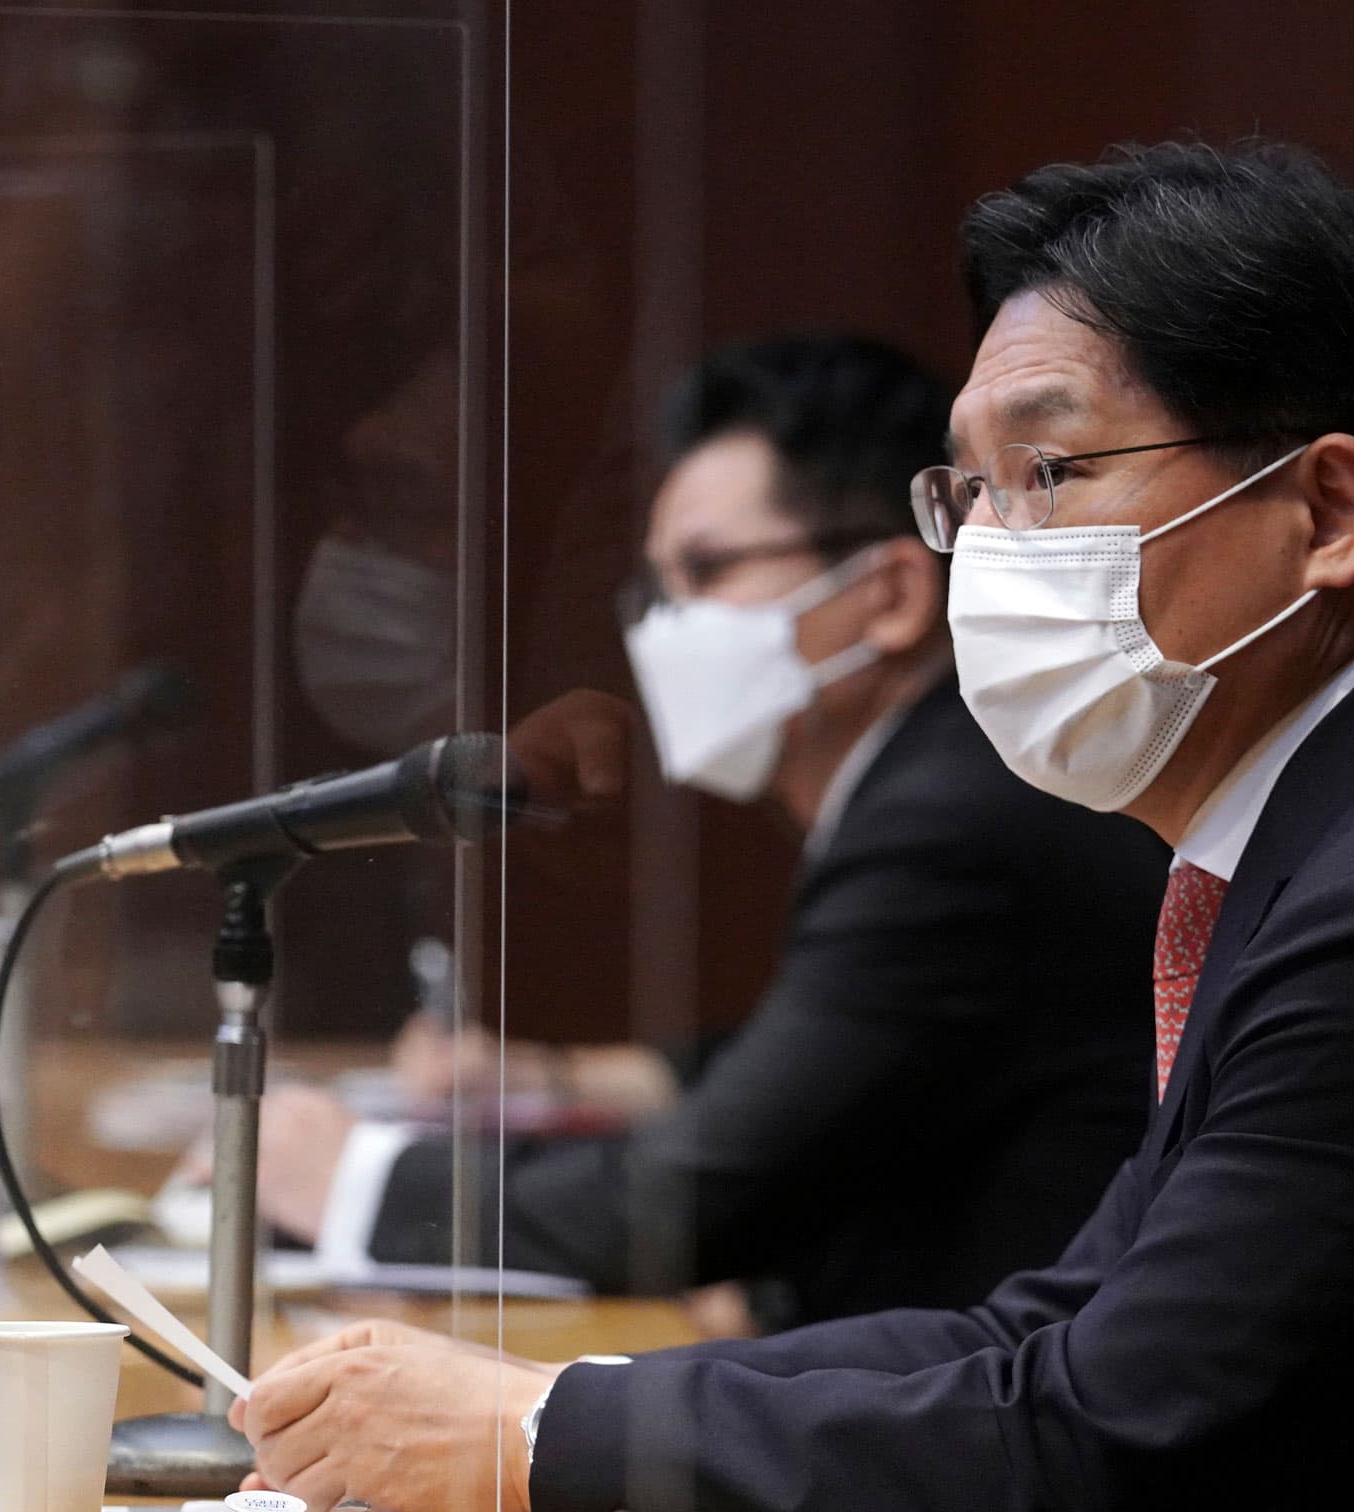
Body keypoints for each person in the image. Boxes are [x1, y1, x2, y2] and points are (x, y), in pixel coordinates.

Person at [232, 141, 1354, 1512]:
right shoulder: (1344, 834)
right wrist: (544, 1407)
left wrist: (541, 1434)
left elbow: (1091, 1439)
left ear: (1322, 514)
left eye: (1050, 474)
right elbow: (1038, 1327)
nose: (988, 548)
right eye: (967, 490)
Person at [252, 334, 1168, 1332]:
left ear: (892, 594)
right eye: (655, 587)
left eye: (707, 570)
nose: (663, 629)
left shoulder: (950, 821)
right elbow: (836, 1053)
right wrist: (571, 1080)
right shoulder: (933, 781)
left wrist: (358, 1181)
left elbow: (699, 1199)